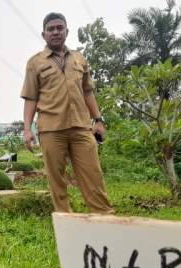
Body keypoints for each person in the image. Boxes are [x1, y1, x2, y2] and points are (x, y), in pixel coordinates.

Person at [21, 12, 114, 215]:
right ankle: (65, 220)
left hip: (81, 127)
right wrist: (27, 129)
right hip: (51, 129)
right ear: (44, 34)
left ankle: (104, 219)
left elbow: (88, 91)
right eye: (51, 29)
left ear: (66, 31)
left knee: (93, 174)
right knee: (57, 178)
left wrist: (98, 119)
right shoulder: (35, 63)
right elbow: (30, 98)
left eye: (59, 28)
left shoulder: (79, 59)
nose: (55, 32)